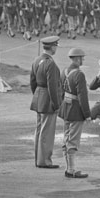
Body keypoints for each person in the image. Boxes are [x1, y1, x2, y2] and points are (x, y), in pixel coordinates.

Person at [30, 35, 62, 168]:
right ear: (53, 47)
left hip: (38, 97)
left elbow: (32, 82)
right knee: (47, 133)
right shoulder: (51, 64)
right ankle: (44, 161)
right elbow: (53, 87)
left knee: (39, 131)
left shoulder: (37, 60)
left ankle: (39, 159)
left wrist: (37, 95)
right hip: (47, 100)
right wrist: (56, 104)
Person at [59, 46, 92, 178]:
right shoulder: (79, 74)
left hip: (66, 108)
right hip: (76, 110)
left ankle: (69, 168)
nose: (82, 60)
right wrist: (87, 114)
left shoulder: (64, 71)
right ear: (78, 59)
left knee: (67, 138)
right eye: (82, 58)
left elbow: (60, 91)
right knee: (73, 140)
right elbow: (82, 96)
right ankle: (71, 170)